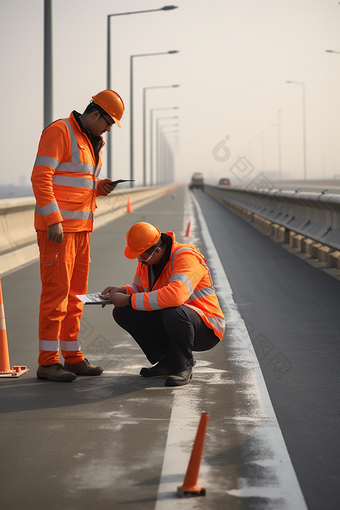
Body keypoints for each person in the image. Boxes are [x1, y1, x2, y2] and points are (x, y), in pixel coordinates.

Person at [31, 89, 125, 382]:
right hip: (58, 232)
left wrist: (99, 188)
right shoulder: (61, 131)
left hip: (81, 230)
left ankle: (72, 357)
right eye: (109, 123)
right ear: (95, 114)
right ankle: (47, 363)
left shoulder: (90, 141)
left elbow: (74, 183)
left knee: (76, 298)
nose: (109, 129)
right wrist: (53, 219)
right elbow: (41, 177)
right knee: (55, 298)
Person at [100, 222, 225, 387]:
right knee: (122, 311)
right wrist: (123, 291)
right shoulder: (147, 259)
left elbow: (175, 296)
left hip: (206, 326)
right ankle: (167, 360)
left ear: (157, 251)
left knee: (172, 312)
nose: (140, 261)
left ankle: (183, 366)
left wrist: (129, 299)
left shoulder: (185, 256)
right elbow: (140, 288)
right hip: (173, 317)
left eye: (142, 257)